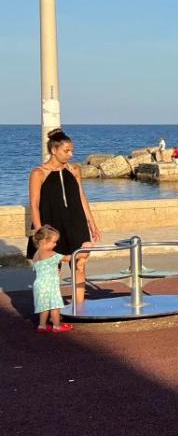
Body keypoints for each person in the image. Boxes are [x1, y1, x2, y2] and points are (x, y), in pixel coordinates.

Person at [28, 128, 100, 305]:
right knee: (52, 269)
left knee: (80, 264)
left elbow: (82, 197)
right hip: (51, 225)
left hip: (76, 223)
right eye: (66, 151)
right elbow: (34, 204)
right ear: (54, 150)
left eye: (71, 151)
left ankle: (79, 307)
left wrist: (92, 224)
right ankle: (51, 310)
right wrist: (40, 232)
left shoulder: (74, 169)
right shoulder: (38, 173)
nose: (71, 154)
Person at [29, 225, 72, 333]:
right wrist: (78, 253)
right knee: (55, 305)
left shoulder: (36, 254)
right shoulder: (51, 253)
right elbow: (66, 258)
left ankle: (42, 326)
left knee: (44, 307)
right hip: (50, 284)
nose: (55, 244)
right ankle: (56, 326)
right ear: (44, 241)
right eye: (54, 242)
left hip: (39, 284)